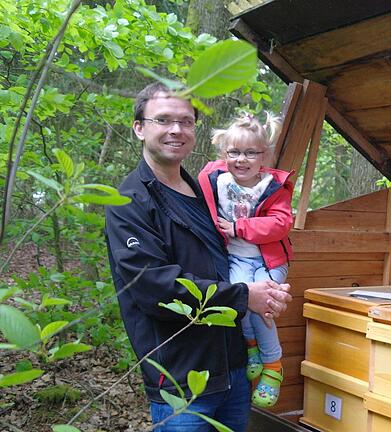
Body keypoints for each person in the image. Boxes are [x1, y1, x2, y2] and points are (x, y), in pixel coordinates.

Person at [105, 83, 292, 432]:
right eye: (163, 119)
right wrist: (245, 296)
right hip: (181, 380)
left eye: (186, 121)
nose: (176, 129)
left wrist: (268, 284)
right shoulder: (129, 202)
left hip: (234, 368)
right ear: (139, 128)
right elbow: (153, 289)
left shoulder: (206, 190)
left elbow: (242, 248)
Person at [197, 112, 294, 408]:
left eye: (251, 153)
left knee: (262, 305)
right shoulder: (215, 179)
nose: (242, 159)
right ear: (223, 154)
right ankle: (251, 346)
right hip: (237, 260)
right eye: (234, 152)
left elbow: (281, 224)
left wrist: (240, 227)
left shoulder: (273, 188)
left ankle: (274, 365)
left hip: (269, 262)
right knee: (241, 298)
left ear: (264, 156)